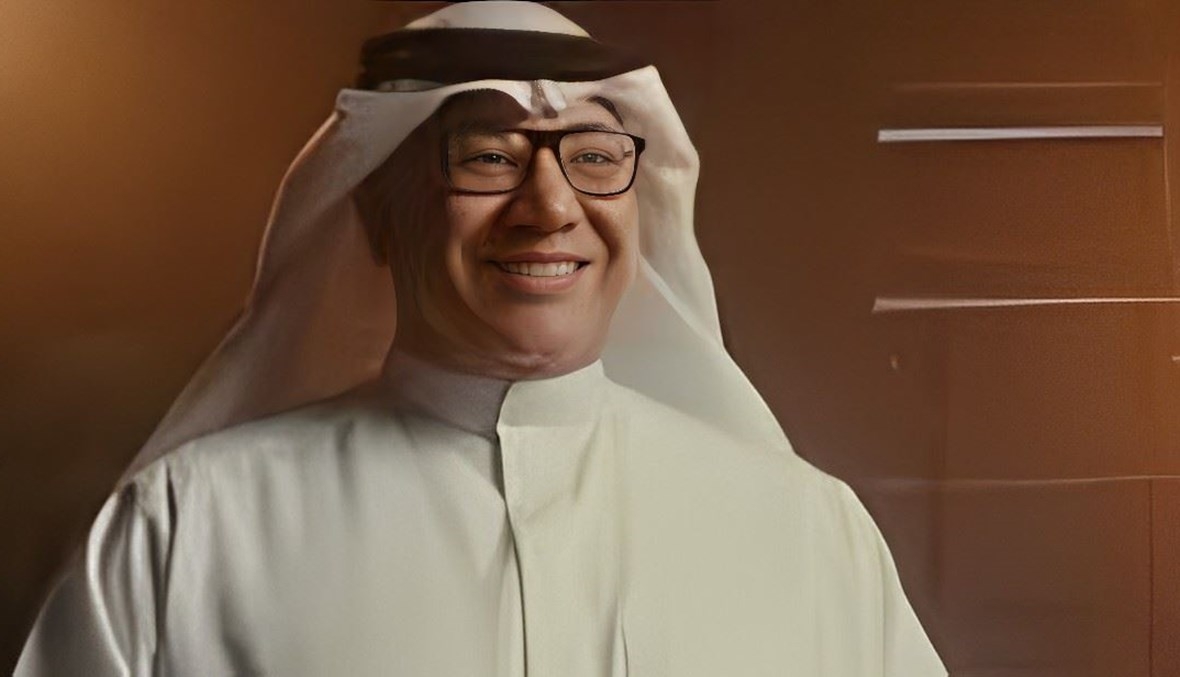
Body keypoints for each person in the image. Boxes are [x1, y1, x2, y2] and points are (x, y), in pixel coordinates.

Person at [16, 3, 946, 675]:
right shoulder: (190, 528)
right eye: (490, 157)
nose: (550, 208)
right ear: (380, 215)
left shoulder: (807, 534)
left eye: (593, 157)